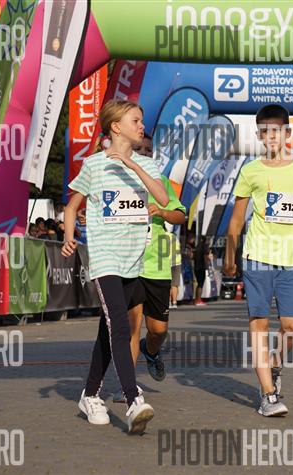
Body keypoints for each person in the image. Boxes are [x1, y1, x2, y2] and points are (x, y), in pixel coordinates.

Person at [62, 99, 170, 434]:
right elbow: (72, 206)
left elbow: (163, 199)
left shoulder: (148, 164)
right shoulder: (94, 165)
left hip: (133, 259)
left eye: (141, 121)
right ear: (115, 127)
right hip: (105, 257)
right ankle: (133, 398)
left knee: (107, 331)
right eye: (135, 121)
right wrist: (69, 236)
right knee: (121, 327)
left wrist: (131, 164)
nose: (141, 126)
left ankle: (90, 395)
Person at [224, 104, 293, 417]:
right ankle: (268, 396)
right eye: (265, 132)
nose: (271, 137)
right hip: (257, 257)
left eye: (277, 131)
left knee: (292, 325)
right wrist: (230, 256)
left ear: (287, 133)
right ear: (259, 135)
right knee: (260, 324)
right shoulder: (251, 171)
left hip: (291, 259)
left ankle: (275, 365)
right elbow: (236, 219)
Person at [125, 136, 186, 389]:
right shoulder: (119, 181)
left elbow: (180, 216)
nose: (143, 153)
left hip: (157, 266)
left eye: (148, 150)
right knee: (132, 326)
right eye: (138, 148)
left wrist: (161, 211)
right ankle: (127, 387)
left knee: (158, 330)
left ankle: (150, 352)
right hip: (129, 263)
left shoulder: (161, 182)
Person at [193, 236, 211, 306]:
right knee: (200, 284)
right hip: (201, 267)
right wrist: (207, 266)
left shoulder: (197, 247)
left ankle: (196, 299)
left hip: (196, 267)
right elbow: (206, 255)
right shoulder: (204, 246)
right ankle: (198, 300)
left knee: (198, 284)